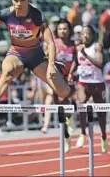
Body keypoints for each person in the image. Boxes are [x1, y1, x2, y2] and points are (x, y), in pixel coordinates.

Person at [0, 0, 74, 113]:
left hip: (36, 56)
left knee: (63, 92)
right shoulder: (5, 14)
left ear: (28, 0)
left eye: (22, 0)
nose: (18, 4)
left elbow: (50, 43)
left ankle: (62, 74)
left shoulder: (36, 15)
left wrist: (51, 65)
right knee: (7, 72)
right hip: (16, 53)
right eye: (15, 0)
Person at [68, 25, 108, 153]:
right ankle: (83, 133)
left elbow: (100, 64)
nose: (85, 35)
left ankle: (103, 136)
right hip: (83, 82)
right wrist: (70, 72)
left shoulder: (97, 47)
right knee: (81, 105)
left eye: (88, 33)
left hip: (97, 83)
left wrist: (85, 54)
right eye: (83, 33)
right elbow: (76, 60)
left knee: (101, 113)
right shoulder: (78, 47)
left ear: (92, 35)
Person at [41, 18, 77, 152]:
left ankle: (68, 123)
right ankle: (65, 133)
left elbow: (76, 61)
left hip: (69, 78)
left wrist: (71, 73)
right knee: (59, 108)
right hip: (56, 78)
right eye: (60, 29)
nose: (63, 31)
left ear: (69, 30)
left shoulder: (74, 45)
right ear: (57, 30)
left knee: (64, 103)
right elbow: (45, 58)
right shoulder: (53, 43)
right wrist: (48, 52)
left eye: (65, 29)